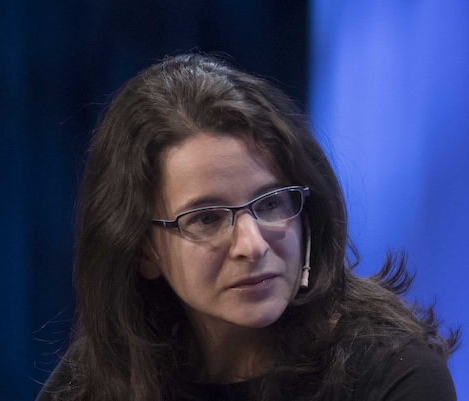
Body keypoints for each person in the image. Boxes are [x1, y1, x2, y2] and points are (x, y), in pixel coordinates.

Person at [35, 54, 459, 401]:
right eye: (207, 218)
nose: (253, 245)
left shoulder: (393, 373)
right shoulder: (102, 378)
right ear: (145, 249)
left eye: (271, 203)